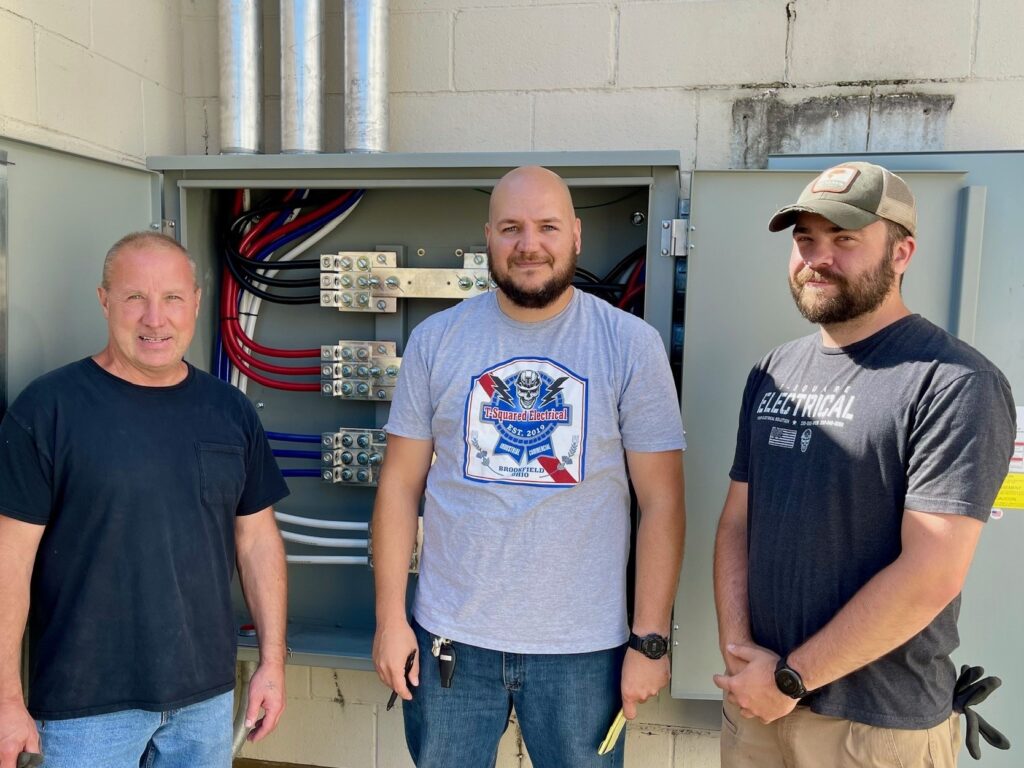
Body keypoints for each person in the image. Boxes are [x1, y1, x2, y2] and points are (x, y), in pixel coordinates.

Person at [371, 166, 686, 767]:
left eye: (546, 227)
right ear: (488, 237)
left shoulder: (629, 345)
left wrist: (649, 638)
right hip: (450, 643)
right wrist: (391, 619)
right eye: (512, 228)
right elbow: (398, 486)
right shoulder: (437, 341)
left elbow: (663, 502)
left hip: (585, 651)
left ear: (576, 235)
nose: (529, 245)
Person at [712, 162, 1016, 767]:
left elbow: (931, 573)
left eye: (844, 239)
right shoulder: (773, 372)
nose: (817, 257)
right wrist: (742, 655)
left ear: (902, 252)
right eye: (805, 240)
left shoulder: (954, 382)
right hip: (757, 711)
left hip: (874, 729)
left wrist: (791, 677)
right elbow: (737, 525)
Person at [0, 232, 290, 768]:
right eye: (135, 297)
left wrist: (272, 661)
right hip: (80, 711)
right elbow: (8, 563)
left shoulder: (231, 412)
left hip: (204, 700)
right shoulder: (48, 409)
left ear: (197, 303)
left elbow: (257, 542)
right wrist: (5, 702)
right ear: (104, 299)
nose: (155, 318)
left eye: (173, 298)